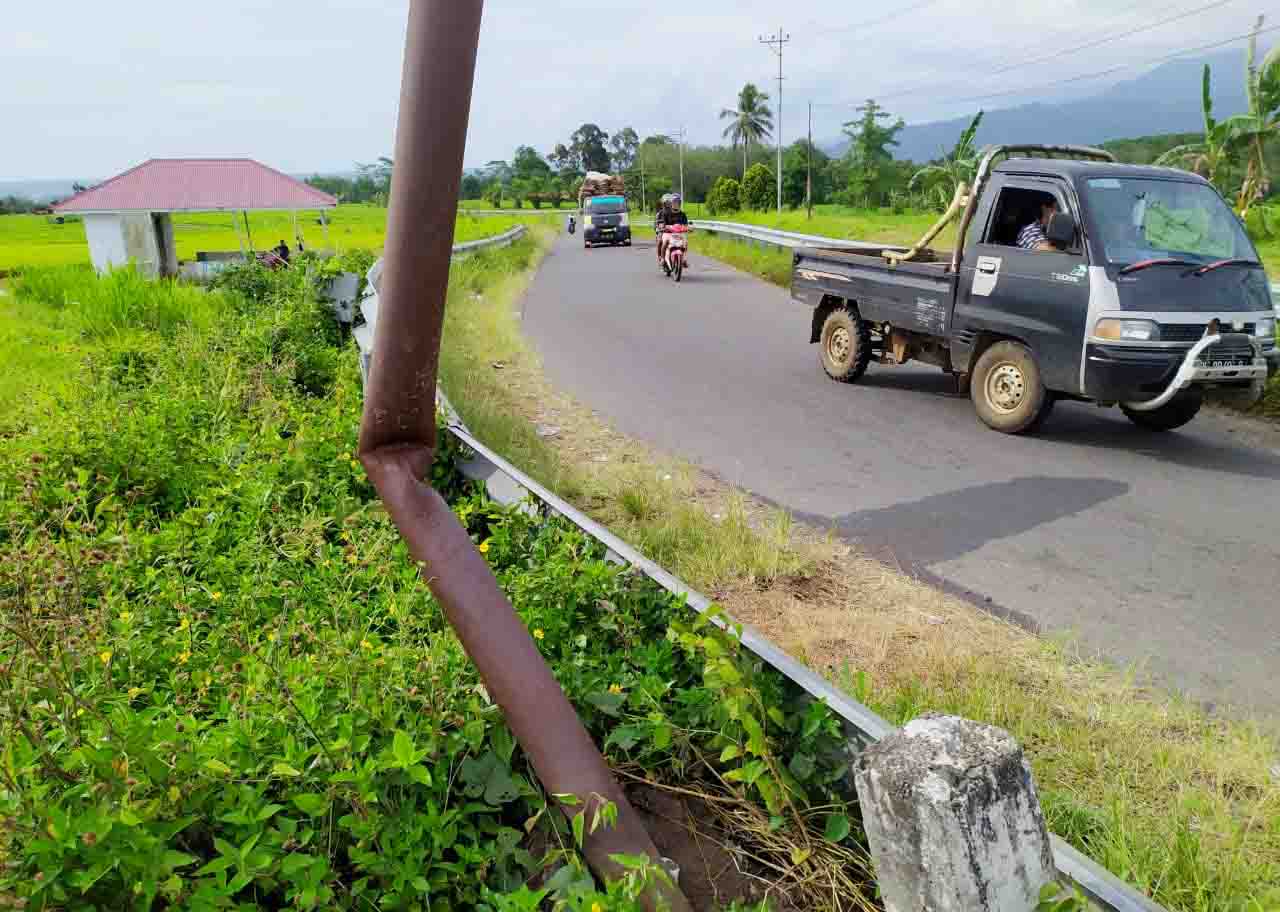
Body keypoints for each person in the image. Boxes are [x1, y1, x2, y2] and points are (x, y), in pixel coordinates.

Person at [654, 194, 689, 265]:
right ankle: (661, 258)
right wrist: (660, 228)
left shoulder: (682, 214)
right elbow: (659, 223)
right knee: (661, 241)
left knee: (685, 242)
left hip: (677, 232)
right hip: (666, 232)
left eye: (677, 202)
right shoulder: (662, 213)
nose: (667, 205)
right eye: (666, 203)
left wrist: (687, 228)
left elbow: (685, 224)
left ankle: (684, 259)